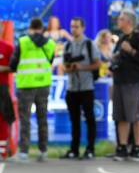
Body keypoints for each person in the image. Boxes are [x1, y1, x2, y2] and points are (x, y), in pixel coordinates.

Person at [8, 18, 56, 162]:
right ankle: (43, 151)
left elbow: (13, 65)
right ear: (42, 28)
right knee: (43, 119)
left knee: (25, 119)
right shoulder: (51, 43)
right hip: (43, 85)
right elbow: (51, 61)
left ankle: (24, 153)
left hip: (26, 86)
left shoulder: (23, 42)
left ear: (30, 27)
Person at [60, 17, 101, 160]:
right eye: (72, 26)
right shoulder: (67, 46)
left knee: (90, 119)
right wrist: (69, 68)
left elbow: (97, 64)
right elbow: (64, 67)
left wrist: (82, 67)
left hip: (86, 87)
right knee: (74, 120)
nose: (73, 29)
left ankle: (90, 148)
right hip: (72, 88)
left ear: (83, 28)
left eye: (76, 26)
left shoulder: (89, 44)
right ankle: (74, 149)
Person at [111, 10, 139, 162]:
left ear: (129, 22)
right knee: (121, 116)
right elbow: (118, 57)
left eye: (121, 19)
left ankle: (137, 148)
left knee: (135, 115)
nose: (118, 21)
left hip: (133, 82)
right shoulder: (122, 38)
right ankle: (122, 146)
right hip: (119, 80)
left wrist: (131, 50)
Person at [0, 23, 16, 158]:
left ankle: (5, 149)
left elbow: (14, 67)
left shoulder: (8, 47)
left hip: (2, 87)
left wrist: (3, 68)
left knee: (6, 118)